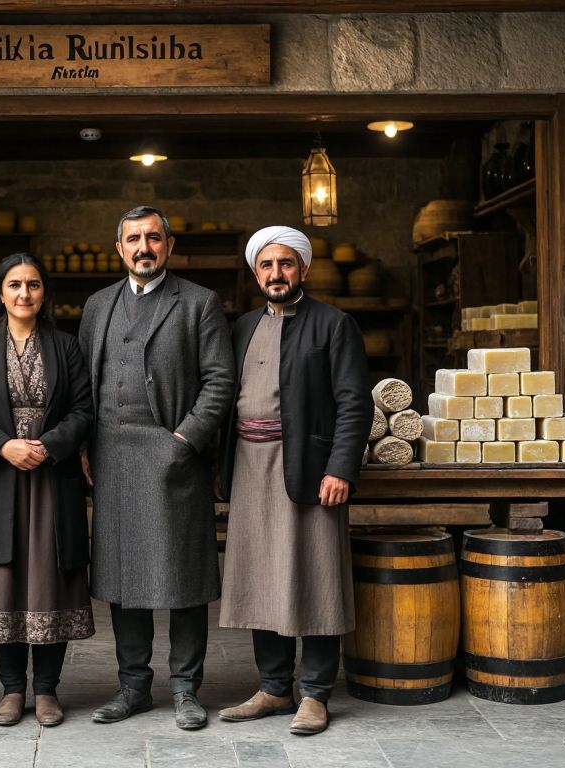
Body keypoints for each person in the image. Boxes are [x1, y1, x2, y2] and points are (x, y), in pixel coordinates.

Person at [78, 205, 235, 730]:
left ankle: (188, 690)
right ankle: (133, 687)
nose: (143, 247)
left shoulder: (198, 303)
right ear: (118, 248)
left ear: (169, 245)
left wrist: (184, 440)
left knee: (183, 579)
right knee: (124, 578)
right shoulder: (97, 306)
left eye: (152, 238)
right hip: (111, 459)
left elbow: (220, 382)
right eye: (133, 239)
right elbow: (83, 387)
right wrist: (82, 444)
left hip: (174, 459)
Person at [216, 226, 372, 736]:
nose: (276, 273)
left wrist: (340, 467)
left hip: (308, 466)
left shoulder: (333, 324)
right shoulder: (239, 328)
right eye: (266, 265)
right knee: (261, 577)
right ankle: (274, 688)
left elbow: (354, 401)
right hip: (249, 465)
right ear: (254, 272)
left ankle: (316, 695)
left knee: (316, 576)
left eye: (286, 263)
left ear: (302, 269)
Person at [0, 253, 96, 727]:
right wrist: (3, 446)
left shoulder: (66, 346)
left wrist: (49, 445)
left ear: (43, 293)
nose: (24, 293)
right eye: (14, 284)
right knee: (5, 581)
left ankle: (48, 690)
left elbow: (82, 410)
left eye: (33, 285)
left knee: (49, 579)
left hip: (52, 479)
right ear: (0, 292)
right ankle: (13, 690)